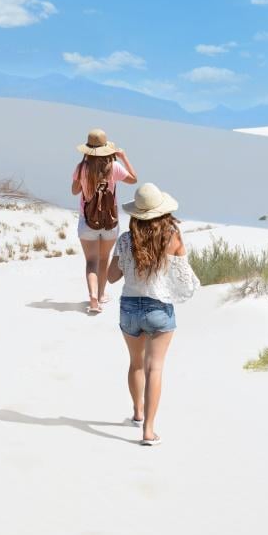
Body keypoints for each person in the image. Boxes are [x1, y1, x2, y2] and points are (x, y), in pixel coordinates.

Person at [107, 183, 198, 446]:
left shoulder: (126, 239)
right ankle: (148, 430)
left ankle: (136, 413)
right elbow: (184, 277)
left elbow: (112, 277)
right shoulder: (172, 237)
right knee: (154, 368)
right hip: (158, 309)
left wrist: (124, 261)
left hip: (129, 308)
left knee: (136, 364)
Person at [71, 129, 138, 313]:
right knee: (103, 259)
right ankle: (101, 295)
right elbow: (134, 179)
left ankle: (93, 297)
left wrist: (83, 178)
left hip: (87, 222)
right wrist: (123, 157)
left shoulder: (81, 168)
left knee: (91, 261)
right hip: (110, 222)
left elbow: (75, 191)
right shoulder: (114, 167)